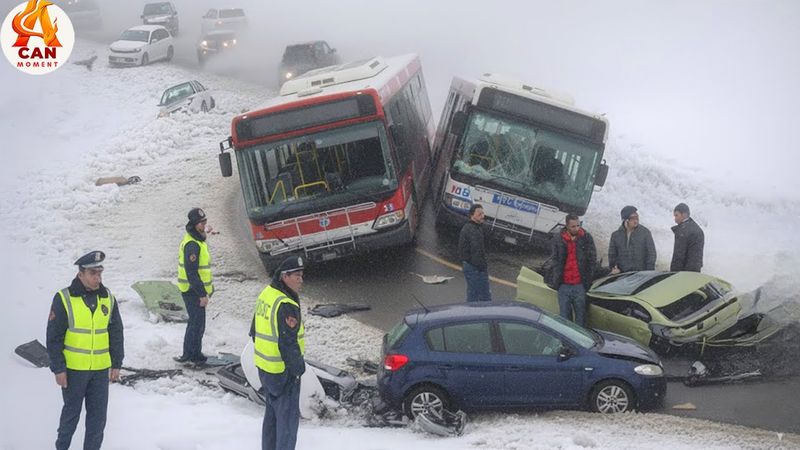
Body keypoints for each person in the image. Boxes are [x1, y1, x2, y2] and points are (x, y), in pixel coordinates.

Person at [47, 251, 124, 450]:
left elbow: (116, 332)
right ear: (80, 274)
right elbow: (54, 337)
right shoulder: (64, 298)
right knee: (70, 418)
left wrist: (116, 363)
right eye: (93, 273)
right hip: (74, 371)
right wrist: (58, 368)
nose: (98, 278)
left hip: (99, 371)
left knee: (97, 422)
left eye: (100, 273)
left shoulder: (108, 298)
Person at [250, 256, 306, 450]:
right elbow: (288, 342)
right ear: (285, 276)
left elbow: (254, 331)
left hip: (265, 369)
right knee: (288, 424)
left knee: (272, 418)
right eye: (296, 276)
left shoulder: (267, 294)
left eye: (301, 275)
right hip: (283, 372)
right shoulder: (286, 304)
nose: (301, 280)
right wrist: (298, 370)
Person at [175, 208, 214, 365]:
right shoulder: (192, 244)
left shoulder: (197, 239)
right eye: (201, 223)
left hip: (194, 290)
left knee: (197, 323)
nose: (204, 225)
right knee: (196, 324)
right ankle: (191, 355)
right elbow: (192, 272)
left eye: (205, 222)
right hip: (192, 291)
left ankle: (192, 353)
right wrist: (202, 294)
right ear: (194, 224)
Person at [548, 214, 596, 326]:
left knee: (581, 319)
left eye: (578, 225)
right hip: (564, 285)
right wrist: (556, 280)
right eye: (573, 226)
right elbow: (555, 259)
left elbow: (592, 260)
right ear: (567, 226)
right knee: (564, 320)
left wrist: (587, 280)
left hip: (579, 285)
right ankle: (566, 343)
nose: (576, 228)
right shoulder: (558, 239)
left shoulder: (586, 238)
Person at [608, 206, 657, 273]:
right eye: (633, 218)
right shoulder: (616, 235)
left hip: (641, 274)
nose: (636, 220)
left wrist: (648, 271)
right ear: (626, 220)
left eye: (637, 217)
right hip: (622, 275)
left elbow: (651, 254)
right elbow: (612, 255)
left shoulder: (645, 233)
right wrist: (614, 267)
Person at [458, 204, 491, 302]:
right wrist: (481, 267)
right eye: (479, 214)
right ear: (472, 215)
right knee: (478, 295)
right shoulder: (471, 230)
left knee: (476, 294)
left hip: (473, 266)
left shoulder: (477, 228)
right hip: (474, 267)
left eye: (483, 213)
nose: (482, 216)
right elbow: (476, 251)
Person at [670, 202, 705, 272]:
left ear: (684, 215)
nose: (675, 219)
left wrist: (674, 272)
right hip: (695, 270)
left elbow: (679, 255)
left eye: (676, 215)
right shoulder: (697, 229)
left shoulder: (683, 231)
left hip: (683, 272)